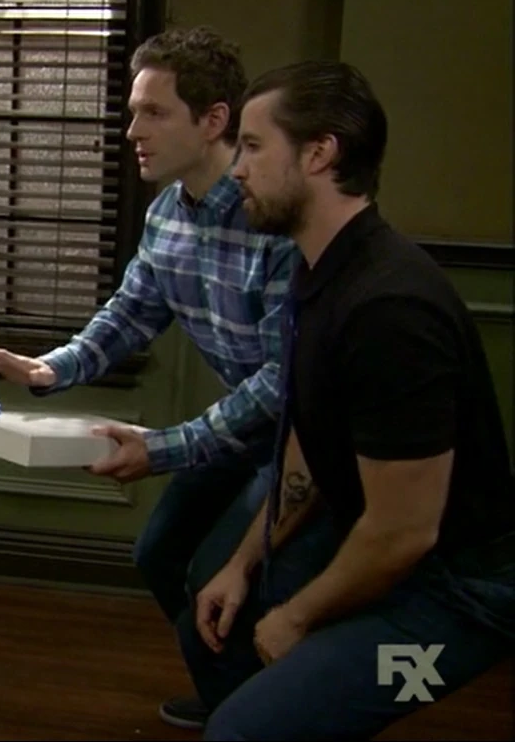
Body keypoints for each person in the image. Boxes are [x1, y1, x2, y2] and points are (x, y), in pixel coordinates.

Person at [0, 26, 300, 729]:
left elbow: (285, 379)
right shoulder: (167, 214)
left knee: (223, 572)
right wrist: (50, 368)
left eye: (154, 113)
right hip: (238, 430)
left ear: (213, 120)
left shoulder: (273, 218)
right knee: (160, 553)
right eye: (132, 111)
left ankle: (265, 711)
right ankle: (231, 694)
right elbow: (130, 313)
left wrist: (167, 447)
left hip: (304, 440)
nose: (132, 132)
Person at [183, 58, 515, 740]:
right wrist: (242, 564)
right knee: (213, 623)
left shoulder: (390, 309)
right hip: (384, 548)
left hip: (466, 601)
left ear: (319, 153)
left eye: (253, 146)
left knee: (245, 731)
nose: (236, 169)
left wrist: (297, 616)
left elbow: (405, 532)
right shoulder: (321, 275)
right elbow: (311, 441)